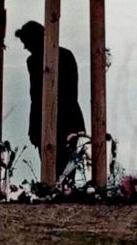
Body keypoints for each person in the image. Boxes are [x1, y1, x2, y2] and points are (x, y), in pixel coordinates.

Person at [14, 21, 86, 178]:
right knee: (53, 171)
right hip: (48, 120)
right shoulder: (33, 61)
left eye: (26, 42)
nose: (25, 47)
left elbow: (70, 93)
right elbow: (35, 96)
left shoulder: (63, 56)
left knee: (66, 170)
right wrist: (34, 127)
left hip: (66, 120)